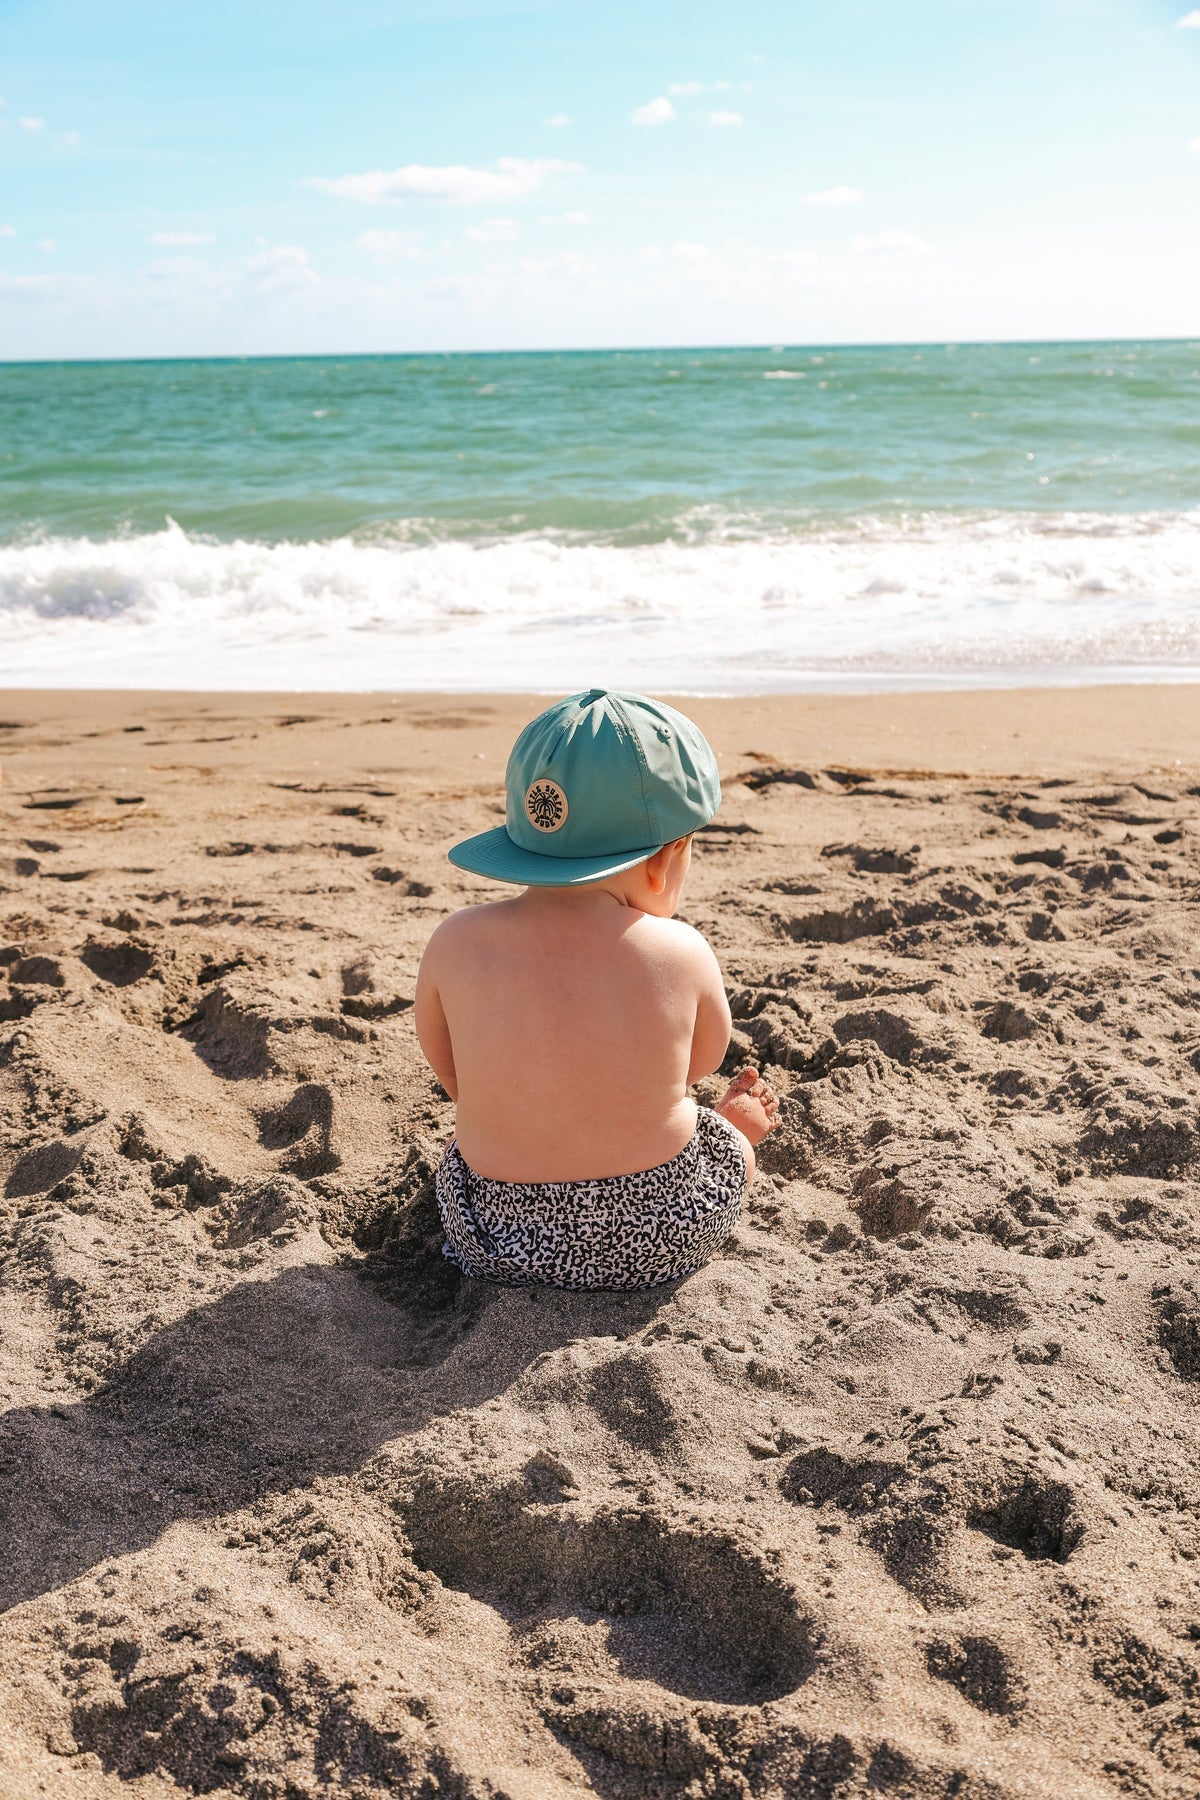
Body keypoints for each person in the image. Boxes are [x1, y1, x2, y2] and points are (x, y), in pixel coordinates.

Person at [414, 687, 780, 1290]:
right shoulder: (680, 950)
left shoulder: (454, 941)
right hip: (658, 1237)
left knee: (461, 1151)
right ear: (666, 860)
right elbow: (700, 1062)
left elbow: (453, 1075)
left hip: (489, 1236)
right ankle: (741, 1129)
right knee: (716, 1138)